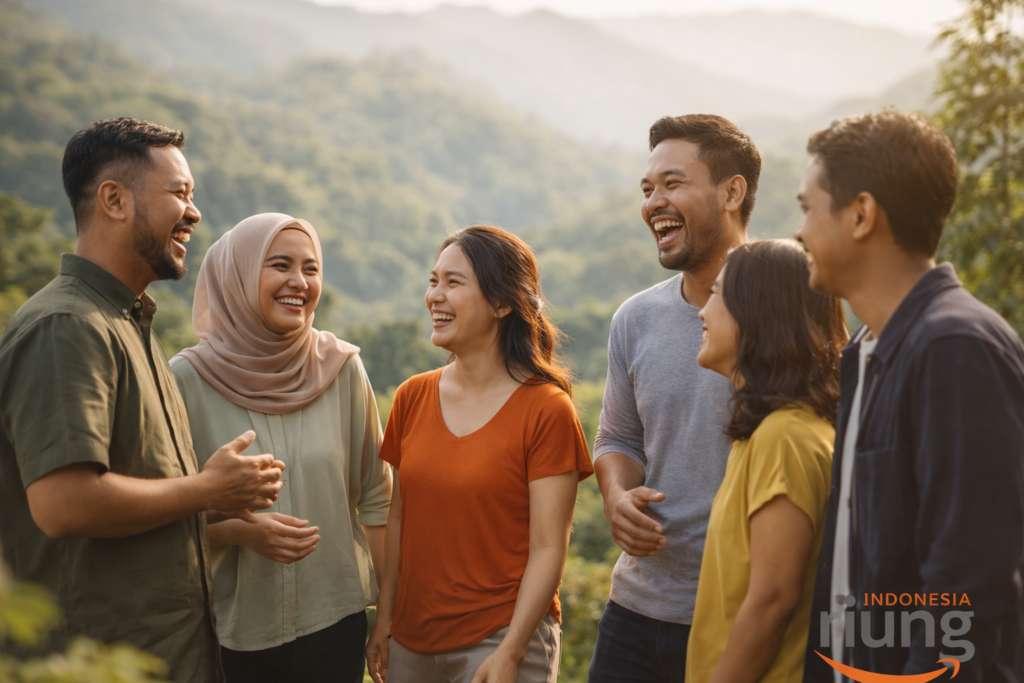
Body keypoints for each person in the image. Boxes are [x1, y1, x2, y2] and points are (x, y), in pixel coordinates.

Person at [0, 118, 285, 683]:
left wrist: (212, 502)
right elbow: (64, 503)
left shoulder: (129, 323)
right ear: (114, 200)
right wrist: (206, 488)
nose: (195, 212)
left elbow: (139, 497)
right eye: (179, 193)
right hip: (93, 662)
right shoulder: (68, 326)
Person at [795, 110, 1024, 683]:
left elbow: (968, 585)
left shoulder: (955, 348)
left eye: (806, 207)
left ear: (862, 214)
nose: (798, 232)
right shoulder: (867, 351)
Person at [364, 225, 593, 683]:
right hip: (411, 642)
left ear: (502, 303)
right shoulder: (412, 397)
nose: (435, 296)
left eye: (454, 283)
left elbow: (549, 547)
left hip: (501, 640)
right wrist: (384, 619)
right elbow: (399, 520)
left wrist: (511, 653)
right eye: (434, 281)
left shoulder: (546, 409)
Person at [170, 213, 391, 683]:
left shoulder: (342, 369)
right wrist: (236, 532)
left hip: (334, 625)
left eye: (311, 269)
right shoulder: (185, 380)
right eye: (280, 265)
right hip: (229, 631)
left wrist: (389, 616)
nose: (299, 282)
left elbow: (377, 498)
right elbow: (158, 518)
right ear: (241, 274)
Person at [589, 114, 761, 683]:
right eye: (647, 189)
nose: (653, 203)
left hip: (744, 613)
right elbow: (617, 436)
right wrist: (617, 495)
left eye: (672, 183)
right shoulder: (635, 318)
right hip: (636, 610)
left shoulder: (794, 304)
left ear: (731, 191)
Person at [688, 239, 846, 683]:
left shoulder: (785, 437)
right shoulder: (767, 432)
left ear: (757, 309)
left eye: (717, 294)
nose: (702, 311)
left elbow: (775, 599)